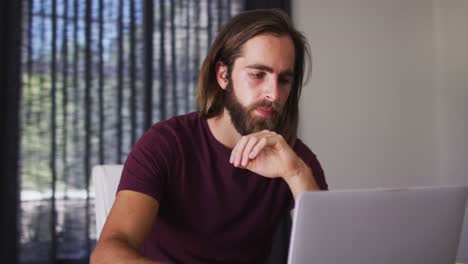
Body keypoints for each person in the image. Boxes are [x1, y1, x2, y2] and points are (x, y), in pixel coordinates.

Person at [90, 8, 328, 264]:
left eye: (284, 80)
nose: (273, 93)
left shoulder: (293, 158)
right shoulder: (166, 143)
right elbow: (106, 255)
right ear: (223, 75)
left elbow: (331, 255)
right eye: (258, 75)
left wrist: (295, 173)